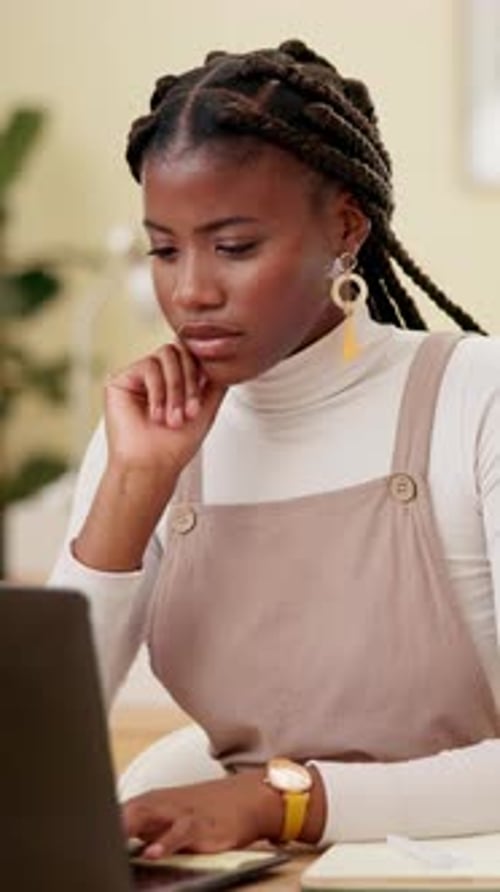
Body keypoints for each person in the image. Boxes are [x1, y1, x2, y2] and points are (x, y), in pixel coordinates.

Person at [49, 39, 500, 857]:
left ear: (345, 227)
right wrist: (136, 483)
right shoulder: (148, 432)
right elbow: (39, 752)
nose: (190, 291)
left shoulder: (478, 398)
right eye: (163, 249)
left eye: (234, 247)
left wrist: (276, 802)